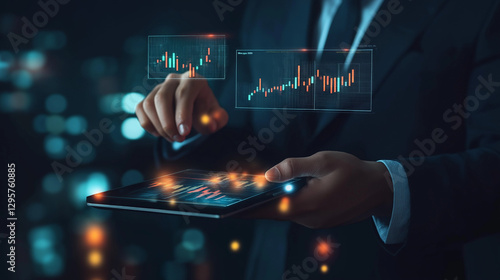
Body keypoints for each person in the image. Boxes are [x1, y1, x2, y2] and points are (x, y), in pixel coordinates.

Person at [136, 0, 500, 279]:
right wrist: (194, 129)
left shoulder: (480, 9)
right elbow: (257, 149)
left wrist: (388, 190)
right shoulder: (269, 11)